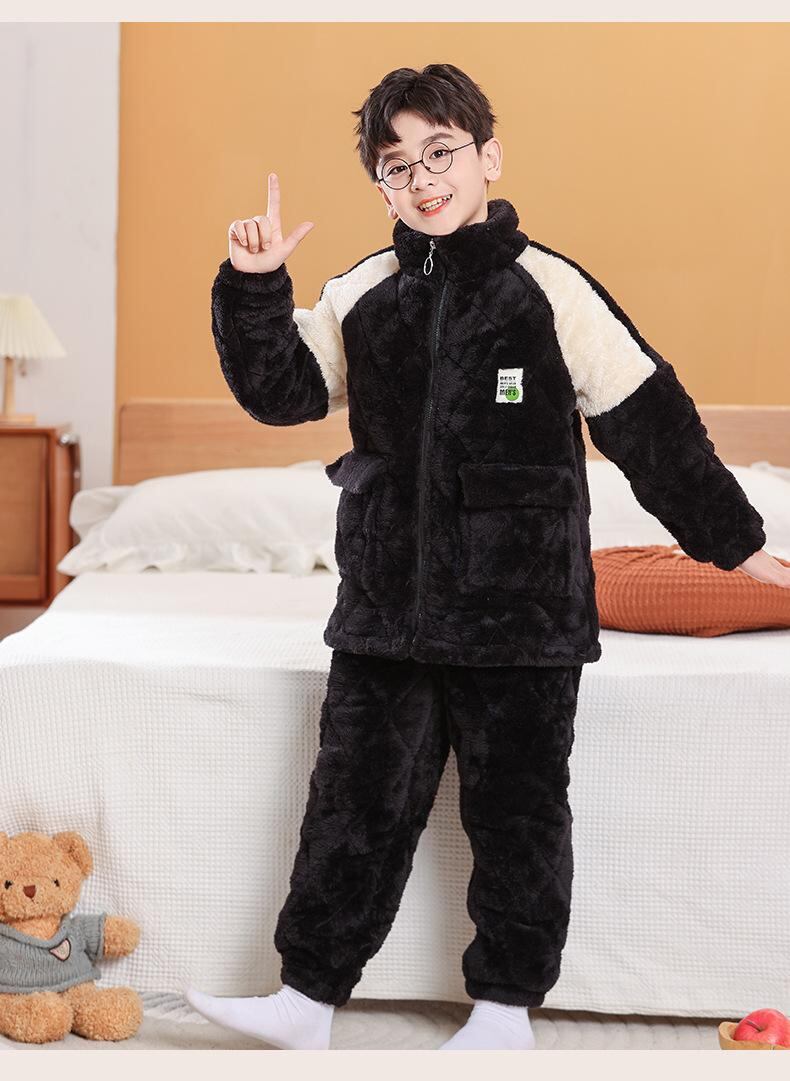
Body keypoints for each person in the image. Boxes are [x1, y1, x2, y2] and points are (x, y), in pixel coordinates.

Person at [185, 62, 786, 1052]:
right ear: (380, 185)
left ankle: (504, 1012)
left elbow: (650, 423)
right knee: (352, 805)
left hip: (522, 613)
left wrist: (741, 544)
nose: (423, 179)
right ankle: (304, 1001)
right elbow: (283, 393)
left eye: (441, 154)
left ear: (486, 157)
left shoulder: (551, 289)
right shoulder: (361, 293)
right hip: (387, 606)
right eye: (397, 166)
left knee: (518, 815)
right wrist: (255, 289)